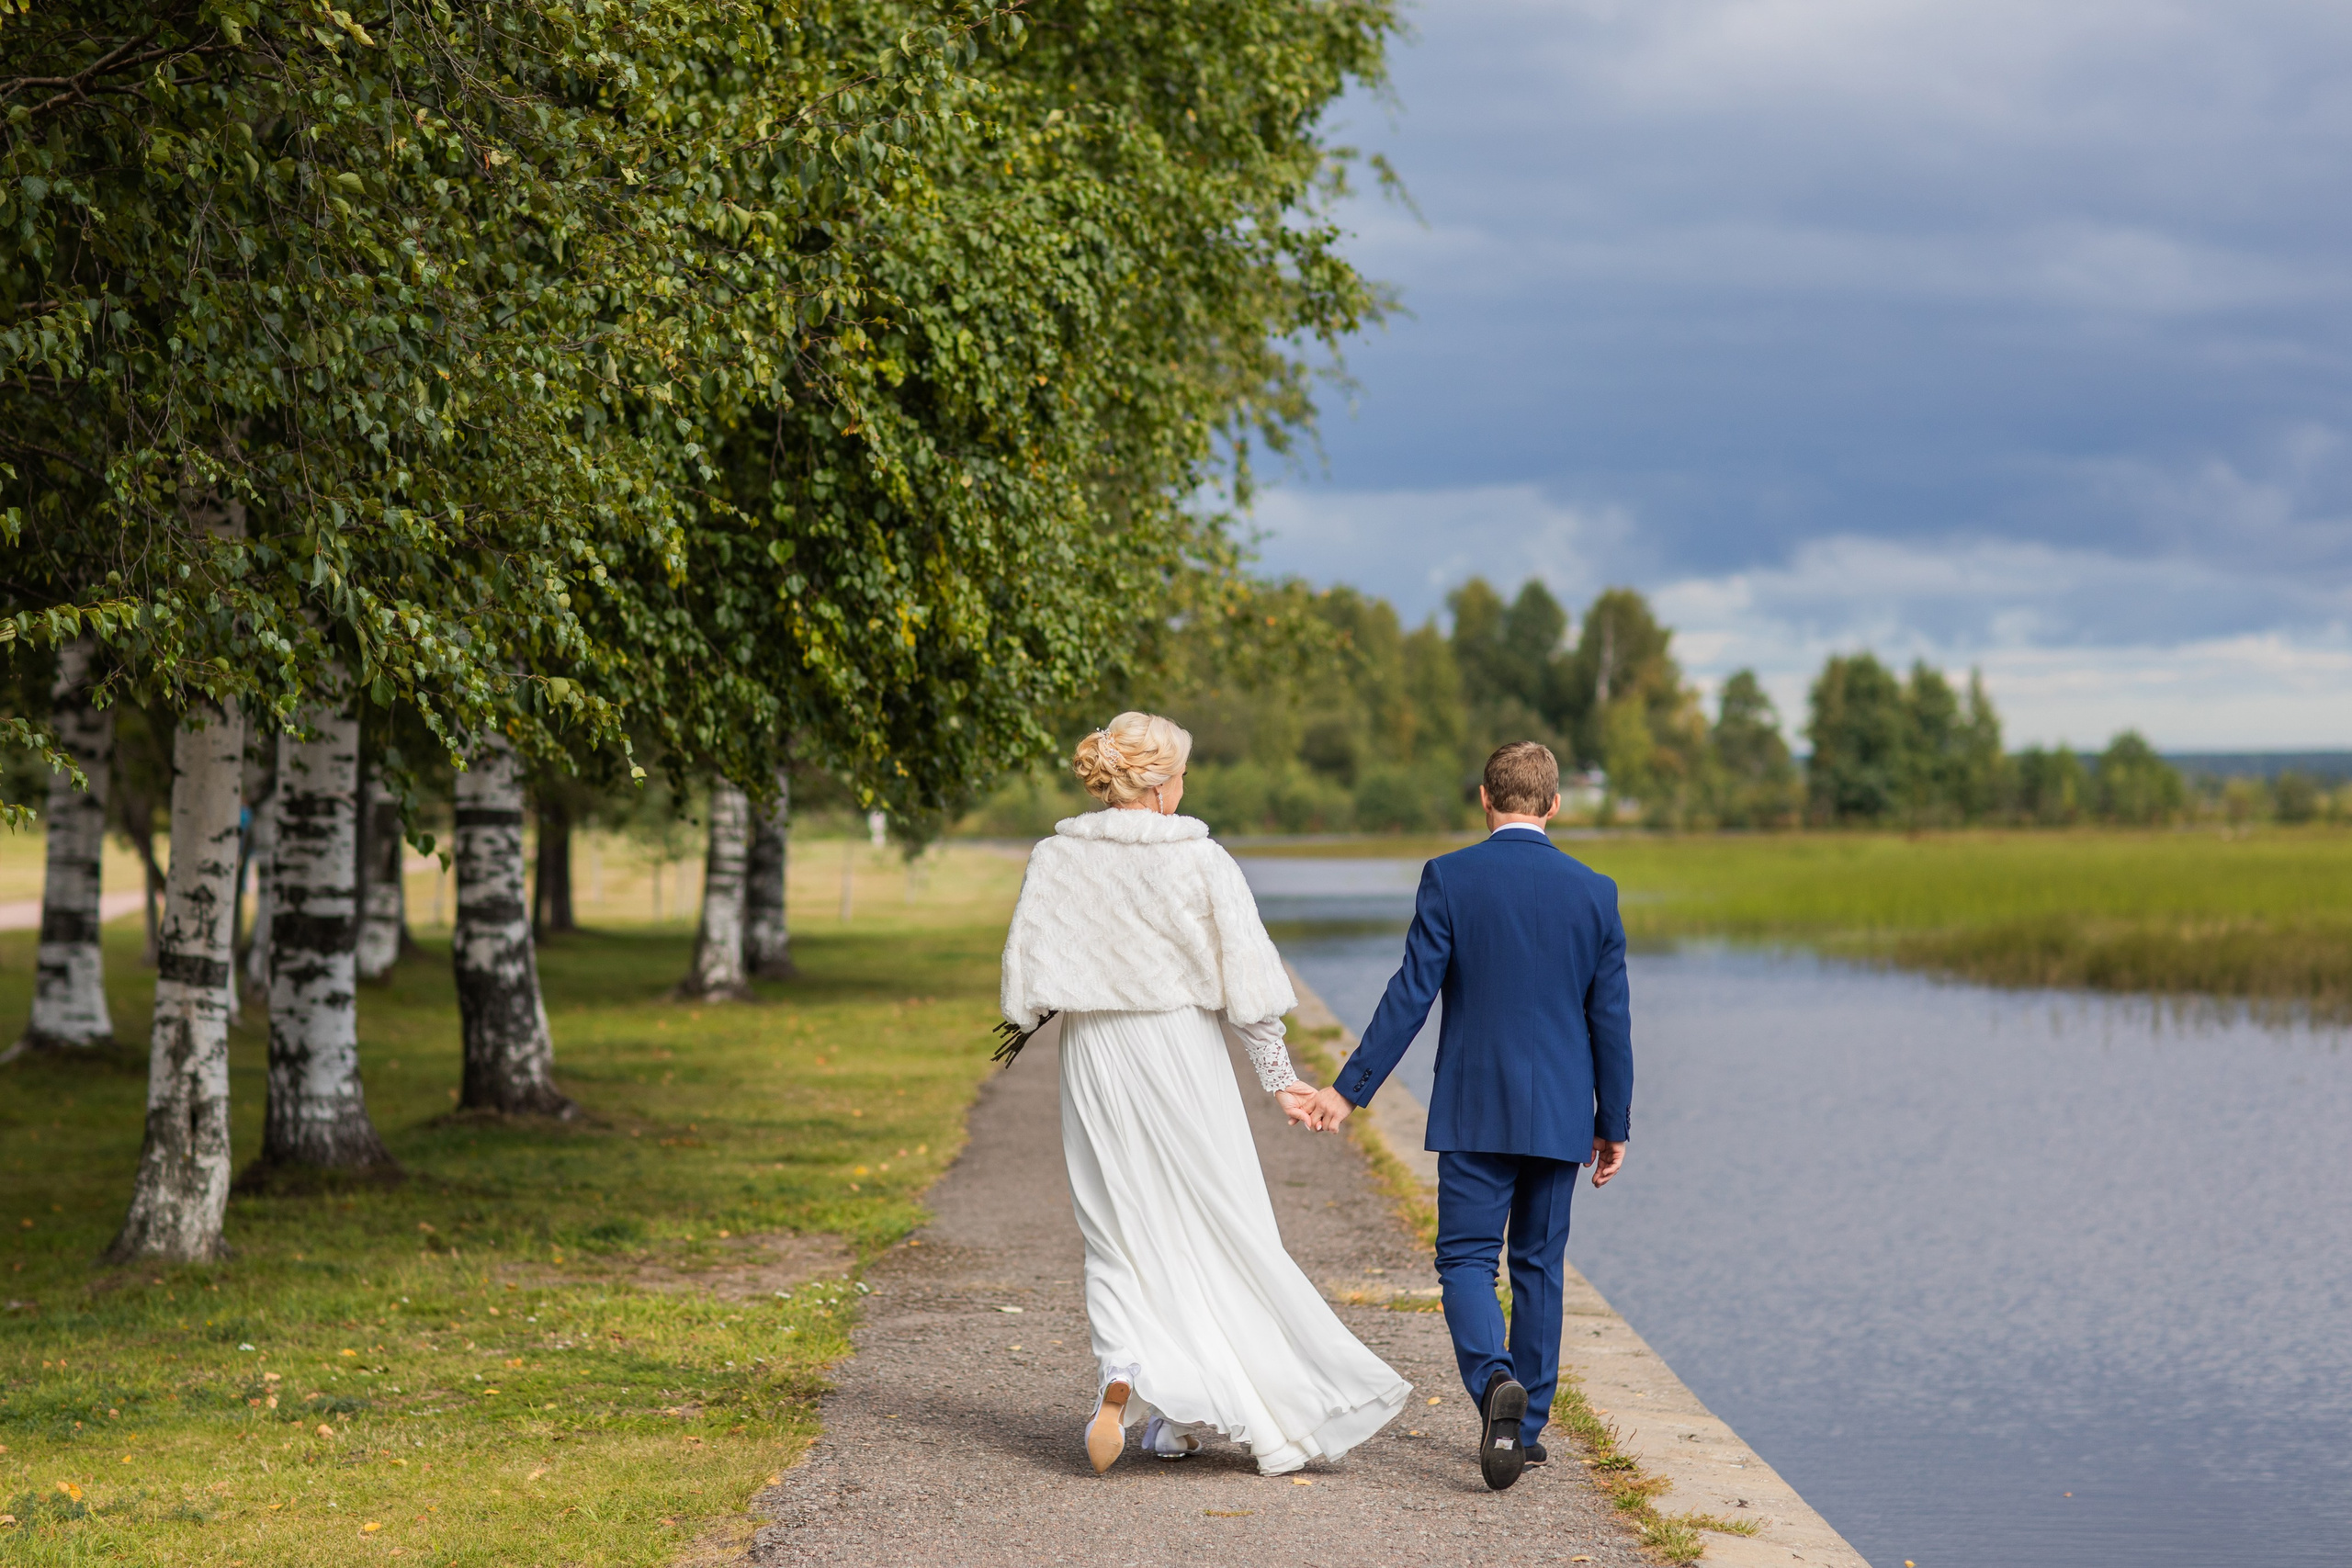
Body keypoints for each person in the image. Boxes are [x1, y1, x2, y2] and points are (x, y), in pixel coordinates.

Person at [1000, 711, 1412, 1475]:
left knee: (1117, 1222)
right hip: (1179, 1050)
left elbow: (1025, 983)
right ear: (1158, 784)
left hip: (1096, 1051)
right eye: (1182, 773)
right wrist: (1281, 1079)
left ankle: (1129, 1368)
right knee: (1218, 1219)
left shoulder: (1057, 856)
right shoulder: (1200, 859)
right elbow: (1249, 987)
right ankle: (1205, 1402)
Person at [1305, 740, 1633, 1492]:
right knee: (1539, 1265)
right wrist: (1613, 1121)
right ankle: (1530, 1427)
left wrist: (1348, 1090)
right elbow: (1610, 1022)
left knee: (1464, 1261)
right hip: (1558, 1113)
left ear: (1485, 799)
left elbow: (1409, 996)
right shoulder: (1595, 892)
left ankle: (1495, 1388)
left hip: (1474, 1107)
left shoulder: (1450, 877)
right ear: (1555, 804)